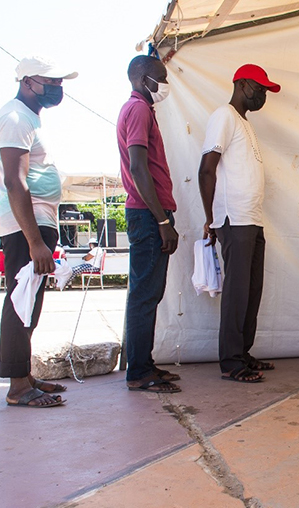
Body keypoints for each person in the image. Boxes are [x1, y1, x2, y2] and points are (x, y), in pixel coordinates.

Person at [0, 55, 77, 407]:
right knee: (20, 300)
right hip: (23, 224)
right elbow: (15, 181)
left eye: (60, 83)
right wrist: (34, 242)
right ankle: (17, 387)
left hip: (37, 221)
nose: (57, 88)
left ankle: (24, 375)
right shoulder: (15, 118)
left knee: (31, 301)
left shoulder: (28, 118)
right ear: (27, 81)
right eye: (50, 82)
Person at [198, 64, 280, 383]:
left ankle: (243, 352)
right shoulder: (224, 115)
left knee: (252, 290)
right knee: (237, 292)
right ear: (243, 84)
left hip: (252, 218)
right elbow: (207, 169)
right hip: (234, 218)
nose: (262, 95)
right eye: (260, 89)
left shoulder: (244, 122)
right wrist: (210, 219)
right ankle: (231, 362)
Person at [117, 55, 181, 393]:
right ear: (143, 79)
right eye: (161, 76)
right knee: (144, 294)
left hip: (147, 213)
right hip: (147, 214)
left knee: (148, 293)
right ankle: (139, 371)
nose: (165, 83)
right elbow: (139, 167)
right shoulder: (139, 109)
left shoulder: (139, 109)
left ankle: (143, 362)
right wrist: (161, 219)